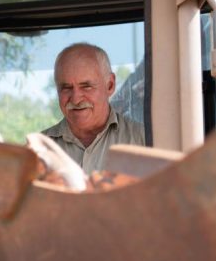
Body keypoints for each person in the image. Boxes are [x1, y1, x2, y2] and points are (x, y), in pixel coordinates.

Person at [42, 43, 145, 174]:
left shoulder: (143, 141)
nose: (76, 99)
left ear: (110, 85)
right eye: (66, 88)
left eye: (86, 86)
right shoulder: (37, 152)